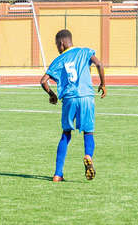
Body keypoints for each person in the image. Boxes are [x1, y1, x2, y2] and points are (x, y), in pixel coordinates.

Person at [40, 29, 107, 182]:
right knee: (88, 132)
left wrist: (52, 95)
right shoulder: (85, 51)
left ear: (62, 43)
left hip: (69, 98)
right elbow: (99, 64)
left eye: (57, 44)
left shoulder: (59, 59)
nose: (57, 47)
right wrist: (103, 83)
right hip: (86, 97)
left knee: (66, 134)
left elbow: (43, 81)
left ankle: (58, 174)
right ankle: (88, 155)